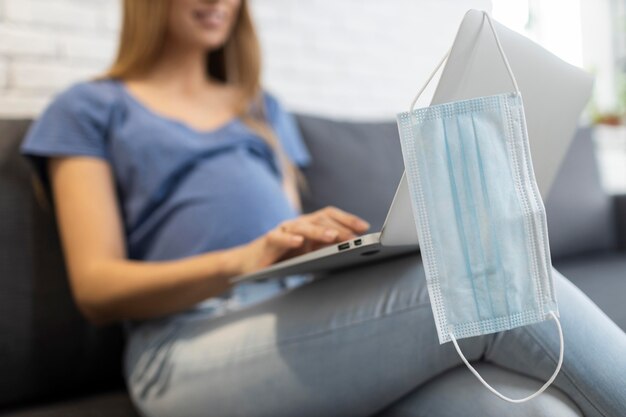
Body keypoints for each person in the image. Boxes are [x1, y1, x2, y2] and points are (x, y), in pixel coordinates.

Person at [20, 1, 626, 416]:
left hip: (299, 320)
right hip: (182, 348)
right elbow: (96, 289)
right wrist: (245, 256)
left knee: (538, 408)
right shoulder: (90, 108)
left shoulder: (260, 109)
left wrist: (310, 248)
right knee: (490, 277)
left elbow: (282, 244)